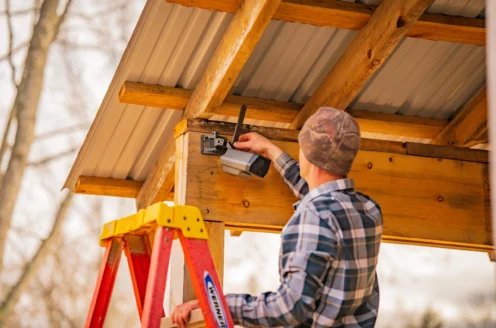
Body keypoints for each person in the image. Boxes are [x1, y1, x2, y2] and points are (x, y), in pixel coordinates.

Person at [171, 107, 383, 327]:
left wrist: (217, 304)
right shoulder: (368, 210)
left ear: (307, 156)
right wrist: (271, 151)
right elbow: (322, 196)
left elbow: (290, 307)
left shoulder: (314, 216)